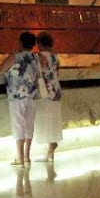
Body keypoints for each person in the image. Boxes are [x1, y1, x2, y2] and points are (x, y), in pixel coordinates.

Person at [0, 31, 40, 167]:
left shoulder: (15, 57)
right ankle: (27, 157)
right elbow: (39, 75)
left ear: (20, 42)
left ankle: (20, 158)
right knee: (29, 124)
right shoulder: (36, 58)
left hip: (17, 95)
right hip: (32, 94)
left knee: (18, 125)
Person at [34, 32, 63, 162]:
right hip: (56, 90)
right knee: (54, 119)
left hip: (45, 91)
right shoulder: (55, 56)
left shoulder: (40, 56)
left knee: (45, 120)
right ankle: (50, 150)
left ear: (39, 43)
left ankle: (51, 148)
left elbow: (36, 72)